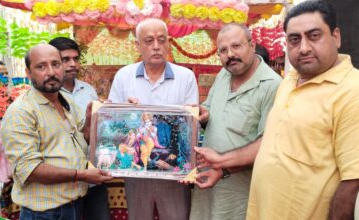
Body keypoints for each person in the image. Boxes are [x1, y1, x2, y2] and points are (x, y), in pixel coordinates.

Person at [247, 1, 359, 219]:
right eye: (294, 39)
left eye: (314, 36)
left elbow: (352, 182)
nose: (304, 47)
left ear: (336, 37)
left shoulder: (352, 90)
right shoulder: (290, 80)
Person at [1, 43, 112, 220]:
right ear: (29, 73)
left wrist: (91, 118)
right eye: (41, 66)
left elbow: (82, 139)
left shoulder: (65, 99)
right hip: (44, 213)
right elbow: (30, 170)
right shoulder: (21, 112)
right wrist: (81, 175)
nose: (51, 72)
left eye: (56, 64)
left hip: (73, 205)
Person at [189, 23, 281, 220]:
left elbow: (268, 145)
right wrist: (204, 113)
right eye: (223, 50)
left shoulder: (272, 86)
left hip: (238, 190)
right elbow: (211, 108)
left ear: (252, 45)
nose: (230, 54)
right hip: (206, 182)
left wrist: (223, 169)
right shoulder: (224, 73)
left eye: (236, 46)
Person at [108, 18, 198, 220]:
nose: (156, 46)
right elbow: (114, 126)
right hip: (137, 170)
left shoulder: (185, 77)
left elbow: (190, 127)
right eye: (149, 41)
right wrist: (127, 114)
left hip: (173, 173)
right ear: (137, 45)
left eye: (161, 40)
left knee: (176, 216)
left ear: (169, 42)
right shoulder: (124, 76)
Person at [49, 37, 109, 220]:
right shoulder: (48, 93)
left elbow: (94, 132)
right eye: (66, 59)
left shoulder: (88, 90)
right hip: (63, 180)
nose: (72, 64)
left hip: (92, 176)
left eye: (75, 59)